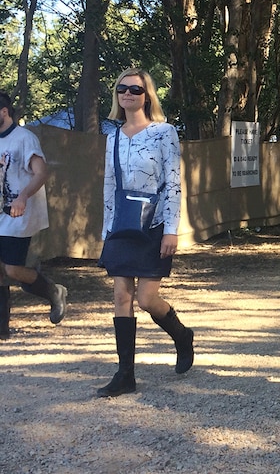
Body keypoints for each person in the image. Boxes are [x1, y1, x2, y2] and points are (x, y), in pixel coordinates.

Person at [97, 68, 193, 397]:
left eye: (135, 89)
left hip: (153, 224)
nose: (128, 94)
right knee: (121, 296)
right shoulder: (113, 137)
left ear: (146, 95)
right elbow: (110, 185)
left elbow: (173, 183)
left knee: (146, 299)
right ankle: (125, 375)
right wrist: (106, 231)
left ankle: (182, 335)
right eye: (122, 88)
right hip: (123, 225)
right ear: (117, 94)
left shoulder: (163, 132)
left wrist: (171, 230)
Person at [0, 93, 68, 340]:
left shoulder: (24, 139)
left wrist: (22, 197)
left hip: (20, 212)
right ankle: (2, 329)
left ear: (4, 112)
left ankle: (53, 291)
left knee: (13, 269)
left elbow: (41, 173)